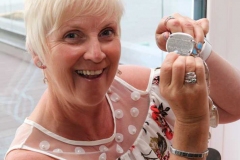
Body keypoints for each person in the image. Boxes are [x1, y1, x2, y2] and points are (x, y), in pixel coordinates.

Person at [4, 0, 232, 160]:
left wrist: (195, 45)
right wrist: (191, 124)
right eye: (72, 36)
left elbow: (233, 106)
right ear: (37, 52)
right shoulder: (31, 156)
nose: (96, 54)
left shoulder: (139, 89)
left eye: (106, 32)